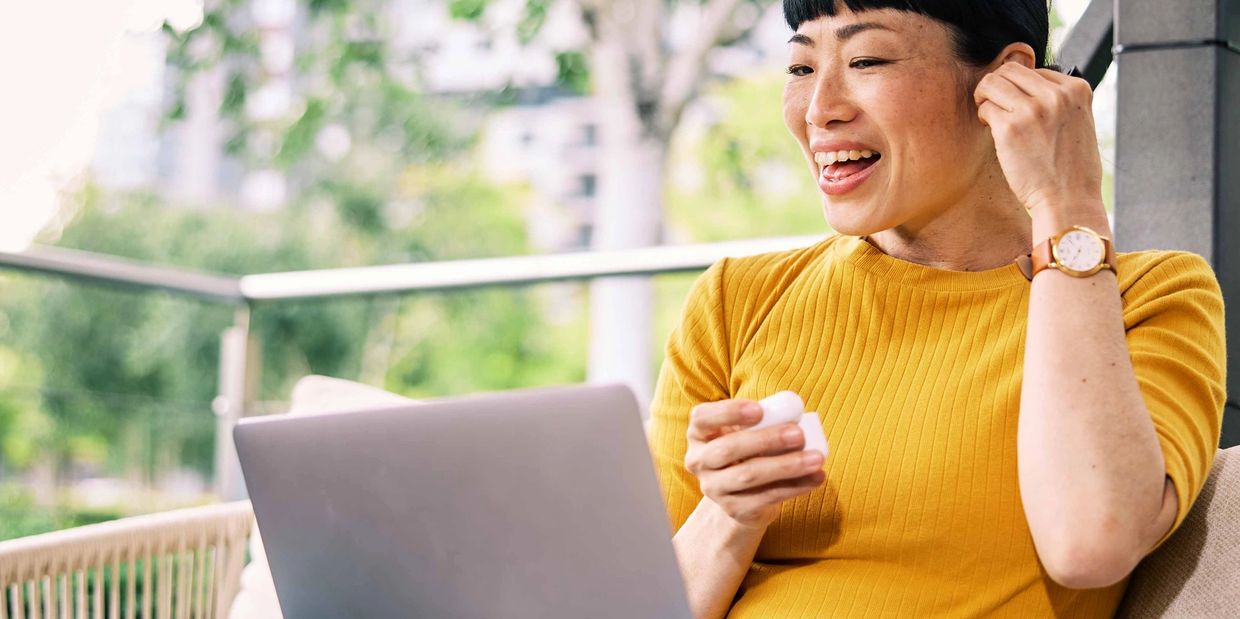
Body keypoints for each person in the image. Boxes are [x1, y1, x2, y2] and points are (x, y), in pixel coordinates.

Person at [646, 1, 1228, 617]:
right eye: (800, 67)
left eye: (865, 59)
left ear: (1005, 82)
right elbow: (630, 599)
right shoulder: (737, 299)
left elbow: (1091, 544)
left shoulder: (1148, 295)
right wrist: (732, 515)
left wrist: (1068, 206)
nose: (819, 109)